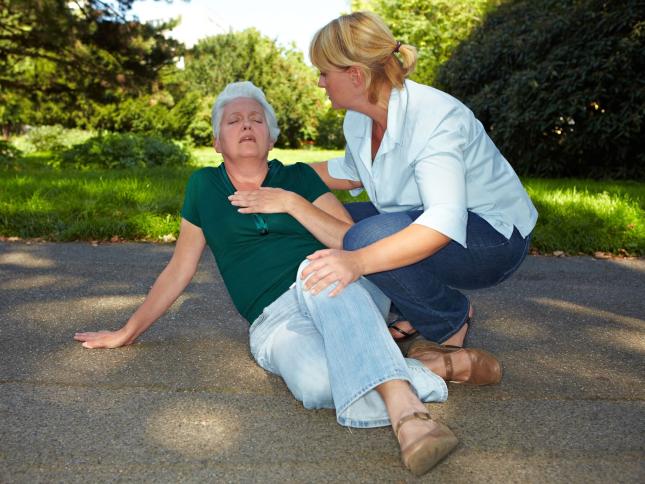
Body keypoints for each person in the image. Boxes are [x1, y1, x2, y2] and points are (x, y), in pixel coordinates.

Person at [73, 81, 501, 476]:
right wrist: (128, 330)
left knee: (318, 270)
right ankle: (433, 366)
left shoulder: (297, 178)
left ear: (271, 137)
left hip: (337, 284)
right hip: (273, 320)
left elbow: (350, 242)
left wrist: (293, 204)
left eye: (256, 119)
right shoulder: (203, 187)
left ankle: (408, 415)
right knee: (317, 385)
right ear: (216, 141)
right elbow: (179, 269)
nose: (246, 125)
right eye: (233, 120)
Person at [306, 11, 539, 351]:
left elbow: (443, 222)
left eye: (324, 73)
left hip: (495, 238)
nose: (320, 82)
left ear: (355, 75)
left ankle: (449, 320)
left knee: (363, 238)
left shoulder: (434, 117)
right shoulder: (358, 119)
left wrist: (358, 261)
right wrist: (275, 174)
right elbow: (352, 171)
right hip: (433, 219)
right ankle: (412, 309)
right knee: (318, 220)